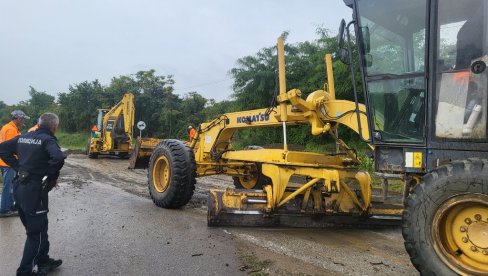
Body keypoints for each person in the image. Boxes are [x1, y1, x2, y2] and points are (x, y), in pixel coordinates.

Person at [0, 112, 65, 276]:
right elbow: (58, 157)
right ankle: (24, 272)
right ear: (54, 127)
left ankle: (43, 260)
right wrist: (50, 176)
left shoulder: (24, 137)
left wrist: (18, 167)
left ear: (39, 123)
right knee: (34, 234)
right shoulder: (48, 139)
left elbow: (2, 149)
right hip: (34, 191)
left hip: (20, 189)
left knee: (40, 226)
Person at [0, 110, 30, 217]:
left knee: (10, 186)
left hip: (4, 162)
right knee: (8, 187)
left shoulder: (6, 127)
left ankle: (9, 206)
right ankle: (4, 209)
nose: (23, 121)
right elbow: (10, 148)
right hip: (9, 163)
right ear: (18, 118)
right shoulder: (11, 130)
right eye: (23, 119)